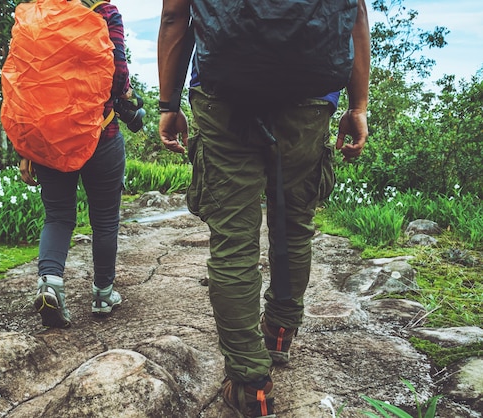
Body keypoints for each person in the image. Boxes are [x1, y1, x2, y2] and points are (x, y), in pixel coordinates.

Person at [157, 0, 370, 416]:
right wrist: (357, 106)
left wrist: (169, 105)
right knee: (293, 227)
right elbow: (355, 14)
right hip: (310, 98)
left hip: (222, 98)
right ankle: (278, 333)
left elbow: (174, 15)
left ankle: (250, 383)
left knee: (234, 242)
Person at [20, 0, 132, 328]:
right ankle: (102, 294)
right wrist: (125, 94)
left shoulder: (38, 14)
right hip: (101, 133)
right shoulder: (105, 13)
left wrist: (27, 146)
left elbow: (24, 86)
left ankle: (50, 284)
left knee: (57, 216)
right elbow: (118, 73)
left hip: (50, 137)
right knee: (105, 218)